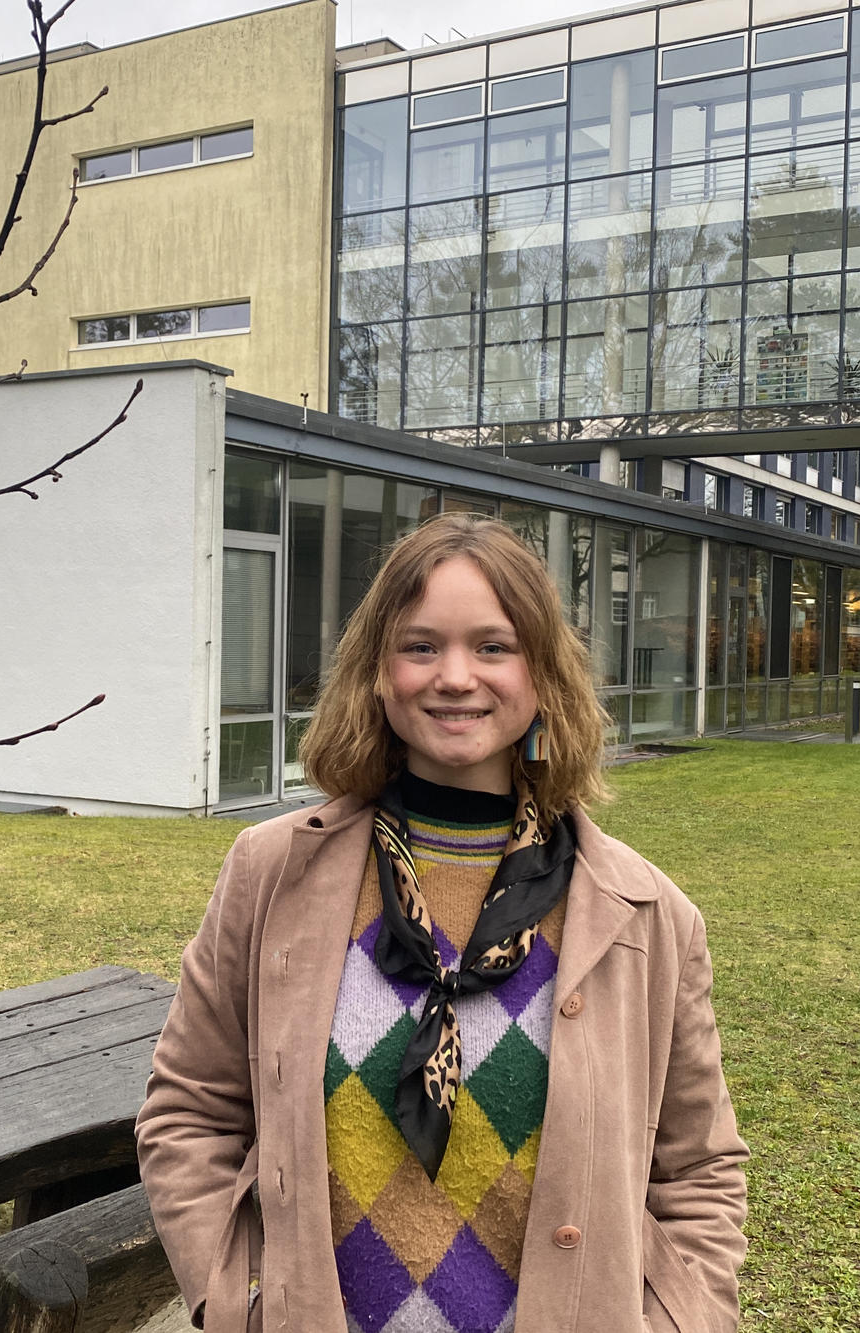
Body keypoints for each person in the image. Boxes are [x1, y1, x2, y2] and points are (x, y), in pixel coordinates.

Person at [136, 513, 748, 1333]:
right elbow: (190, 1111)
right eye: (421, 645)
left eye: (493, 646)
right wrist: (235, 1300)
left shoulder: (645, 916)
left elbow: (698, 1172)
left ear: (541, 674)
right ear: (379, 670)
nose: (455, 676)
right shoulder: (272, 874)